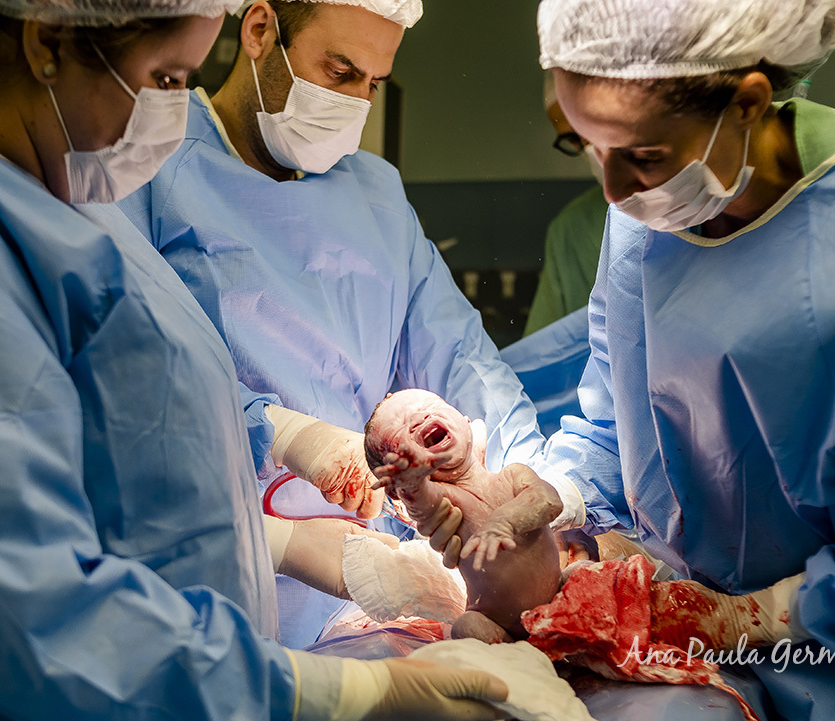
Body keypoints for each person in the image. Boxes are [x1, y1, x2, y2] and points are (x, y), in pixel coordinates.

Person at [0, 0, 509, 717]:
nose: (173, 116)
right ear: (46, 43)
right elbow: (19, 608)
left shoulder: (56, 197)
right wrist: (341, 690)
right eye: (167, 78)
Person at [434, 0, 835, 718]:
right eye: (584, 145)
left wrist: (749, 619)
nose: (611, 190)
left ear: (748, 103)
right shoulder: (647, 211)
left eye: (642, 155)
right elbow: (616, 421)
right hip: (699, 658)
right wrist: (560, 499)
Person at [111, 0, 546, 647]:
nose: (357, 102)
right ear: (259, 31)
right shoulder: (147, 165)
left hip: (381, 577)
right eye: (340, 72)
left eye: (373, 83)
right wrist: (287, 434)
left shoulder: (375, 192)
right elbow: (129, 366)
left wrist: (520, 478)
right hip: (214, 564)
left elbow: (460, 356)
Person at [523, 71, 608, 336]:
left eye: (589, 127)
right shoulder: (571, 230)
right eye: (574, 139)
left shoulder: (697, 206)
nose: (589, 149)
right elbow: (543, 349)